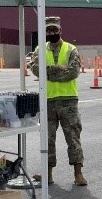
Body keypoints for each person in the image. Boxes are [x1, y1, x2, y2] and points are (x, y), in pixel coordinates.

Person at [30, 15, 87, 186]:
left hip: (68, 100)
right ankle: (48, 174)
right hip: (47, 101)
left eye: (54, 29)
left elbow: (73, 72)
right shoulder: (40, 49)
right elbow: (35, 69)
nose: (52, 32)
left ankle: (78, 173)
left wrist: (47, 71)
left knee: (73, 137)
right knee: (47, 139)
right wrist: (56, 69)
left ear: (60, 30)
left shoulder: (71, 49)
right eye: (48, 30)